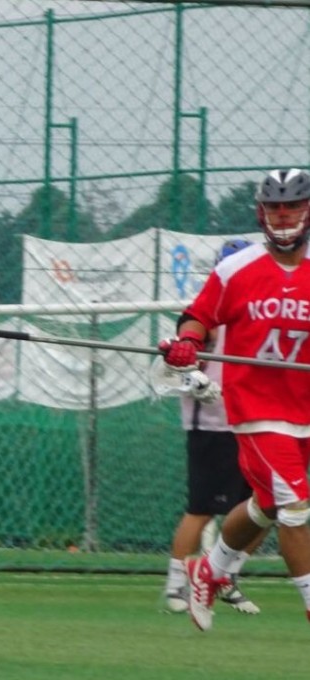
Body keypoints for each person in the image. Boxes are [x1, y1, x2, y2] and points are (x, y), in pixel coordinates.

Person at [159, 168, 310, 631]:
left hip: (303, 406)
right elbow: (196, 318)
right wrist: (187, 343)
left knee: (265, 506)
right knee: (297, 506)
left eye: (292, 208)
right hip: (256, 409)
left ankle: (212, 570)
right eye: (274, 208)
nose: (282, 217)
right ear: (261, 214)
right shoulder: (236, 270)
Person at [161, 238, 266, 615]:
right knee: (202, 508)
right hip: (211, 428)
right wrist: (191, 376)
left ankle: (224, 576)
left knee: (265, 509)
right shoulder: (204, 318)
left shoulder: (255, 316)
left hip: (250, 423)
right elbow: (173, 364)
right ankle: (176, 584)